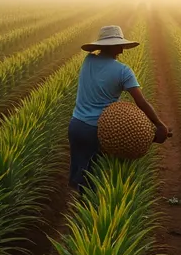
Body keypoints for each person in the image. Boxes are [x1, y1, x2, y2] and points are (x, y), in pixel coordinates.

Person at [68, 25, 172, 191]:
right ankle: (97, 213)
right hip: (99, 131)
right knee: (99, 181)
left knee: (82, 176)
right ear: (115, 46)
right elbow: (141, 102)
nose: (122, 50)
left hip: (76, 126)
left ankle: (82, 207)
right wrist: (159, 125)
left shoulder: (88, 61)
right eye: (120, 45)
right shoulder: (123, 71)